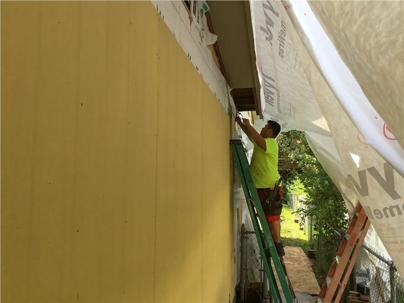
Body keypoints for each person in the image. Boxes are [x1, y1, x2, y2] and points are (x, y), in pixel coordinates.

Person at [235, 116, 285, 257]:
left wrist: (249, 124)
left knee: (272, 216)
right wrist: (241, 124)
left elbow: (256, 138)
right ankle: (275, 244)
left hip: (269, 188)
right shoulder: (261, 143)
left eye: (264, 127)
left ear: (270, 131)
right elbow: (252, 136)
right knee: (268, 216)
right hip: (261, 187)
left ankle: (278, 245)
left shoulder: (271, 143)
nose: (262, 129)